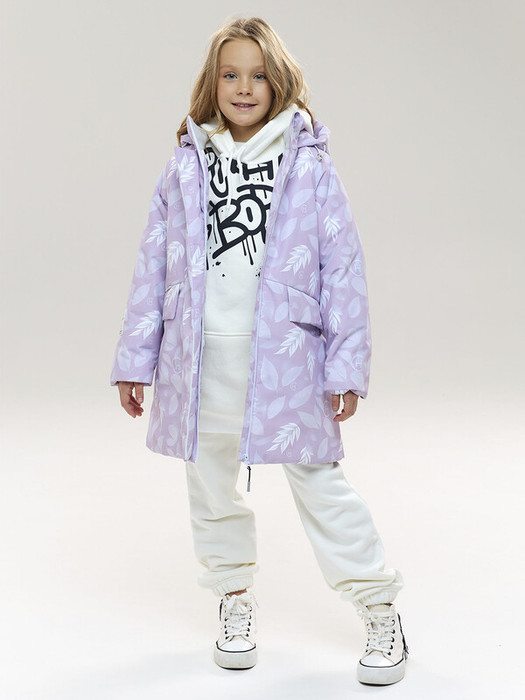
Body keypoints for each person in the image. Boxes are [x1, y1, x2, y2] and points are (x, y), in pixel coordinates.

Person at [109, 16, 409, 685]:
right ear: (212, 83)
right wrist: (135, 359)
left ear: (278, 84)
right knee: (211, 488)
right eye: (230, 75)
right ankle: (234, 599)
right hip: (199, 365)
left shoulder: (311, 168)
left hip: (286, 364)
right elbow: (153, 264)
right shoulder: (184, 167)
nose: (243, 88)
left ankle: (378, 605)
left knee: (323, 489)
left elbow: (342, 268)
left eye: (257, 76)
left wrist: (345, 366)